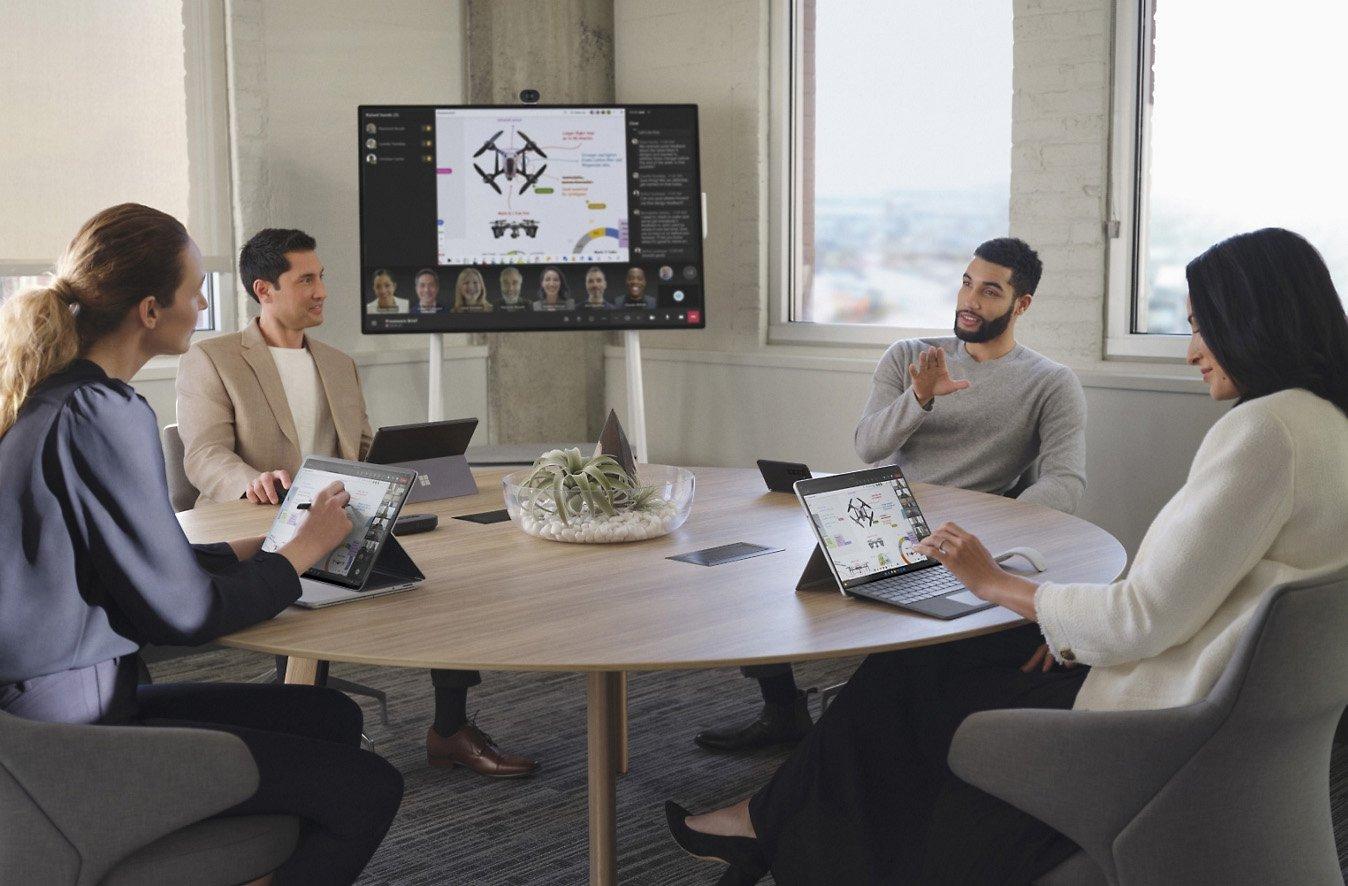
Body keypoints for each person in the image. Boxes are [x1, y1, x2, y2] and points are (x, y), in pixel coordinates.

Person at [666, 227, 1348, 884]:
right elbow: (1185, 596)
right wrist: (1068, 623)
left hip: (1159, 705)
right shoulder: (1323, 424)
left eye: (1202, 326)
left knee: (912, 675)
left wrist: (997, 584)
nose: (1193, 349)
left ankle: (774, 827)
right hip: (1210, 686)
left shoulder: (1262, 432)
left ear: (1252, 320)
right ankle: (774, 822)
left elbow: (1140, 617)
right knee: (929, 666)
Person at [0, 204, 404, 884]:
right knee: (368, 788)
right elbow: (183, 616)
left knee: (327, 714)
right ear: (151, 310)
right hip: (67, 743)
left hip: (61, 707)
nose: (206, 301)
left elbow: (126, 567)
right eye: (195, 290)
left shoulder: (57, 403)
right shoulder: (105, 411)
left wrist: (260, 549)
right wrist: (298, 557)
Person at [697, 238, 1086, 753]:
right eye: (966, 283)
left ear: (1022, 304)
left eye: (990, 291)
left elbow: (1066, 482)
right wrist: (920, 397)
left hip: (956, 537)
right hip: (881, 519)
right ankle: (781, 706)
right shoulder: (908, 355)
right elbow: (868, 445)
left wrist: (990, 525)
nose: (970, 300)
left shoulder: (1050, 382)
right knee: (760, 569)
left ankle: (847, 740)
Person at [177, 228, 539, 778]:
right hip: (268, 521)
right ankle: (306, 736)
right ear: (264, 289)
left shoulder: (339, 363)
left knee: (448, 579)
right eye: (307, 280)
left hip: (347, 514)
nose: (322, 290)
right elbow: (203, 455)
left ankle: (450, 729)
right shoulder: (214, 359)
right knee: (315, 586)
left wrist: (408, 462)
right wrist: (250, 480)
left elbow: (364, 449)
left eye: (321, 277)